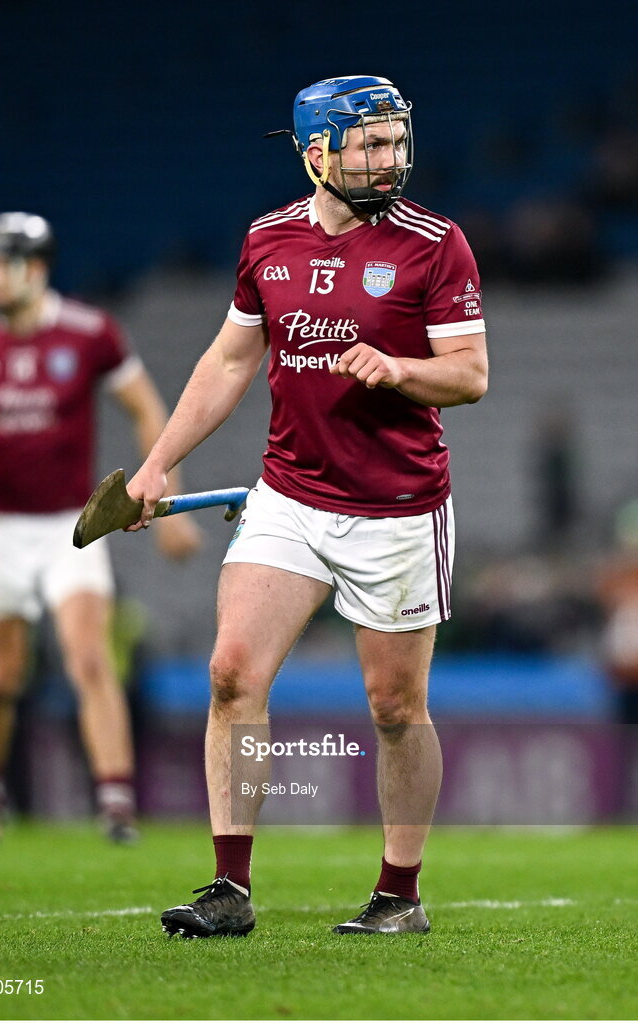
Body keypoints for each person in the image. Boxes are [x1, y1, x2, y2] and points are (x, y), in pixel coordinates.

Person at [127, 75, 488, 935]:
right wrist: (157, 462)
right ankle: (229, 888)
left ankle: (399, 893)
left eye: (398, 140)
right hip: (289, 494)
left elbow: (470, 376)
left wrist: (399, 369)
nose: (391, 158)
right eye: (371, 143)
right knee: (230, 674)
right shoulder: (267, 239)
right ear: (315, 151)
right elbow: (226, 362)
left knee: (396, 709)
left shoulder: (437, 245)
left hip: (398, 506)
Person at [0, 212, 201, 844]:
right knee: (0, 675)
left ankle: (116, 805)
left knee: (88, 657)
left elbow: (147, 410)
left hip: (71, 527)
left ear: (34, 268)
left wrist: (168, 502)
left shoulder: (89, 332)